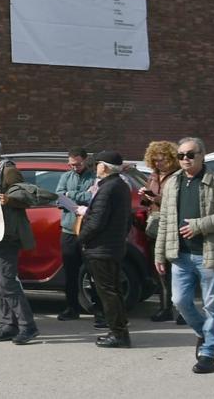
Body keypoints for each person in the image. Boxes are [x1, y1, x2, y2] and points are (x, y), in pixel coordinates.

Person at [153, 137, 214, 375]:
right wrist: (159, 254)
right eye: (181, 155)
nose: (185, 160)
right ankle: (204, 332)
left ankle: (208, 353)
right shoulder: (172, 183)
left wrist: (200, 225)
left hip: (208, 255)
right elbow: (165, 222)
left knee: (212, 305)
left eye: (190, 154)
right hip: (179, 255)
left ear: (202, 155)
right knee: (179, 302)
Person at [0, 135, 40, 345]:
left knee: (8, 282)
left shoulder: (8, 169)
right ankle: (8, 325)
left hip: (7, 235)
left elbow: (27, 195)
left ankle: (27, 326)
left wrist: (9, 199)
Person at [78, 150, 133, 348]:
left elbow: (96, 221)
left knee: (108, 291)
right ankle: (118, 330)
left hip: (102, 248)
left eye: (98, 164)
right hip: (113, 246)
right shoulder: (120, 185)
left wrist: (81, 239)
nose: (96, 168)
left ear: (105, 167)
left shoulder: (109, 188)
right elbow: (128, 220)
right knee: (113, 290)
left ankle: (118, 333)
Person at [55, 148, 99, 324]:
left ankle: (98, 310)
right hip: (68, 230)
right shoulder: (66, 177)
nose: (74, 167)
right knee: (70, 272)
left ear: (85, 160)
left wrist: (71, 195)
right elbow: (58, 198)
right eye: (71, 164)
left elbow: (92, 198)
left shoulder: (94, 177)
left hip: (87, 231)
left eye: (78, 164)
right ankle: (71, 308)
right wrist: (72, 197)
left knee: (93, 272)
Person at [141, 140, 180, 322]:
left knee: (175, 270)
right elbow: (152, 202)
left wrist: (154, 197)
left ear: (171, 158)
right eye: (155, 160)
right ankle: (165, 308)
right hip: (154, 226)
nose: (158, 163)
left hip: (172, 226)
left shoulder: (177, 177)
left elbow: (175, 203)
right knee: (160, 269)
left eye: (162, 159)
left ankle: (179, 311)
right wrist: (146, 197)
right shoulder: (153, 176)